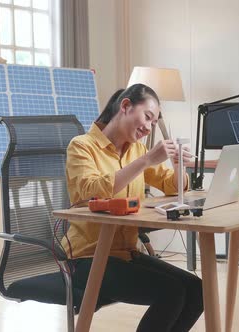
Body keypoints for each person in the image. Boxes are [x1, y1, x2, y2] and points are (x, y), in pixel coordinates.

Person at [61, 83, 203, 332]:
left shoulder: (135, 150)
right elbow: (91, 189)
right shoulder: (81, 146)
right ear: (125, 106)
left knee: (197, 290)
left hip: (125, 254)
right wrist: (146, 160)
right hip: (86, 259)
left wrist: (178, 164)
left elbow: (171, 186)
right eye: (148, 117)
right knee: (171, 293)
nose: (149, 127)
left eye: (154, 121)